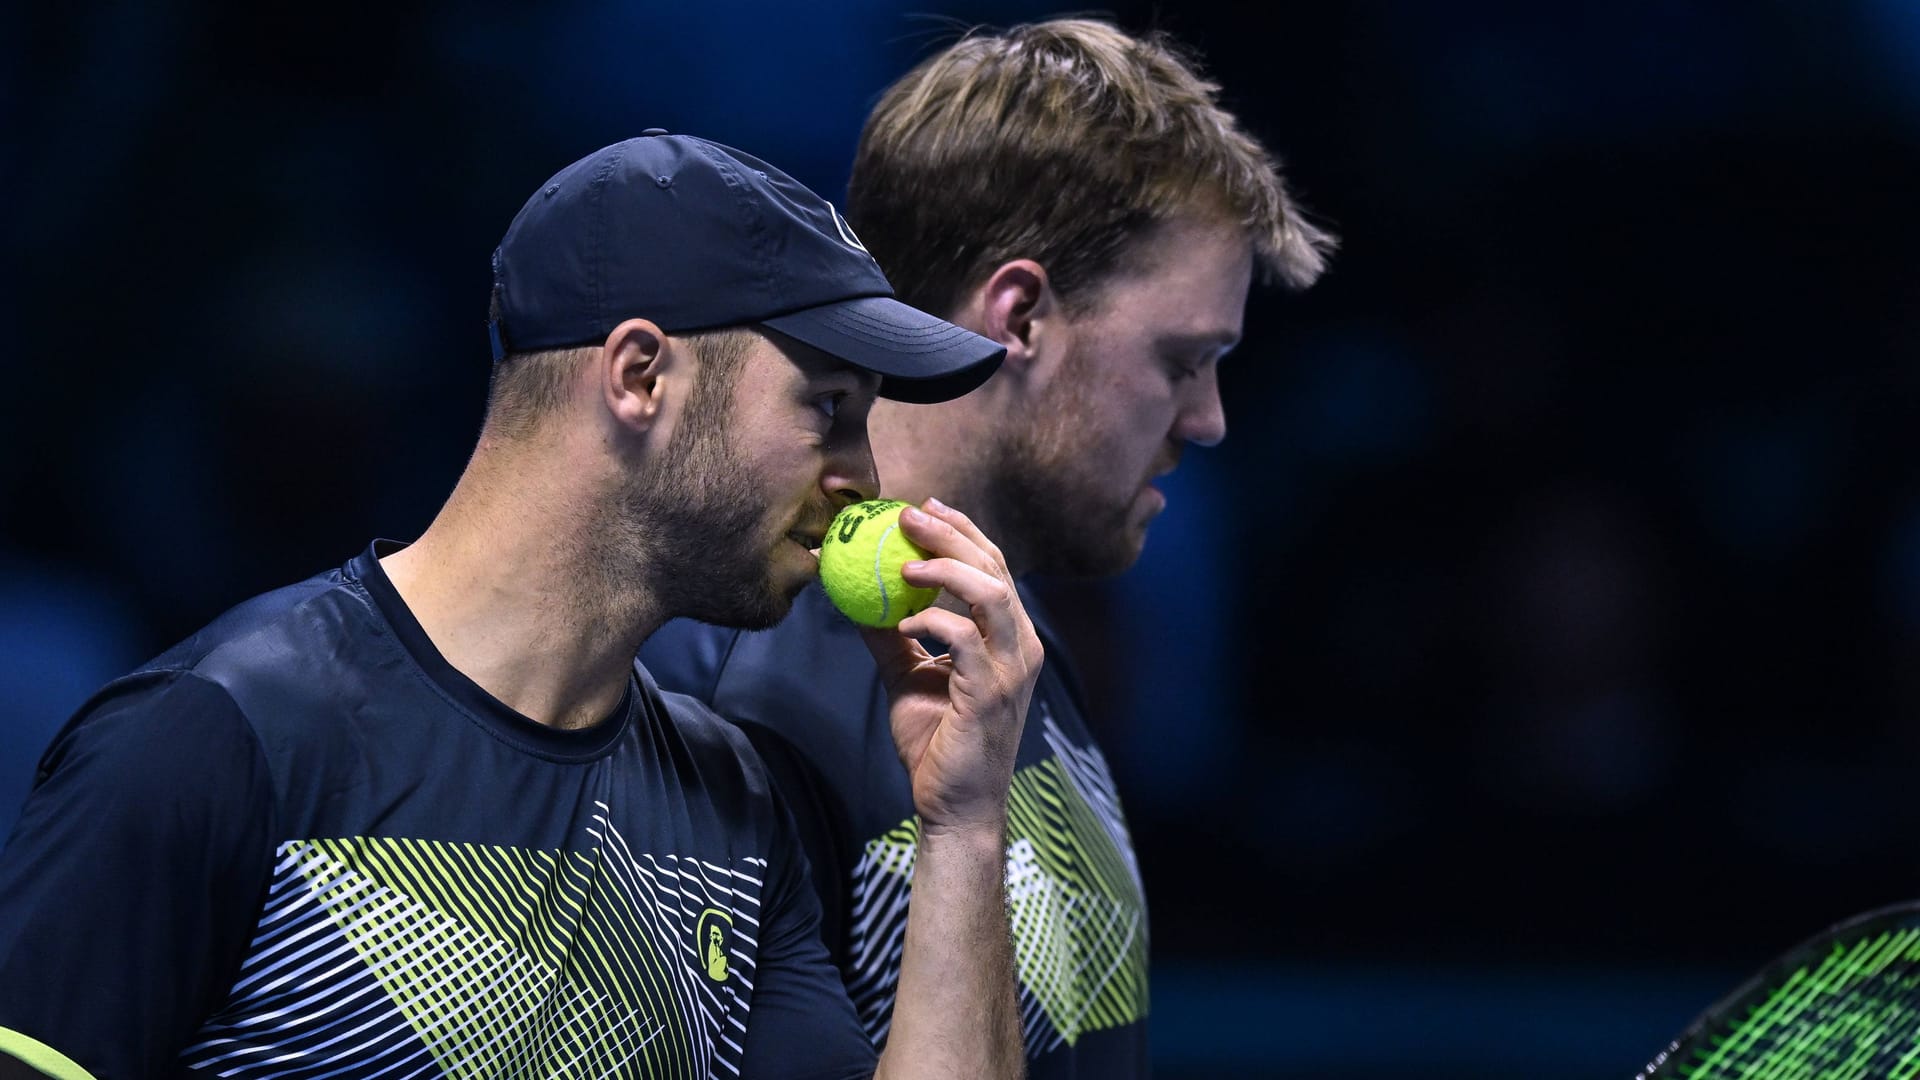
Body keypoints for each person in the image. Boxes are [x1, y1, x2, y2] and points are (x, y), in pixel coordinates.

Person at [0, 131, 1040, 1079]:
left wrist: (962, 825)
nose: (867, 477)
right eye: (827, 409)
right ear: (639, 377)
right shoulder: (216, 737)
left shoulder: (735, 797)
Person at [639, 19, 1335, 1076]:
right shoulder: (732, 676)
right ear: (1018, 317)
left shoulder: (1005, 634)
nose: (1208, 420)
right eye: (1184, 359)